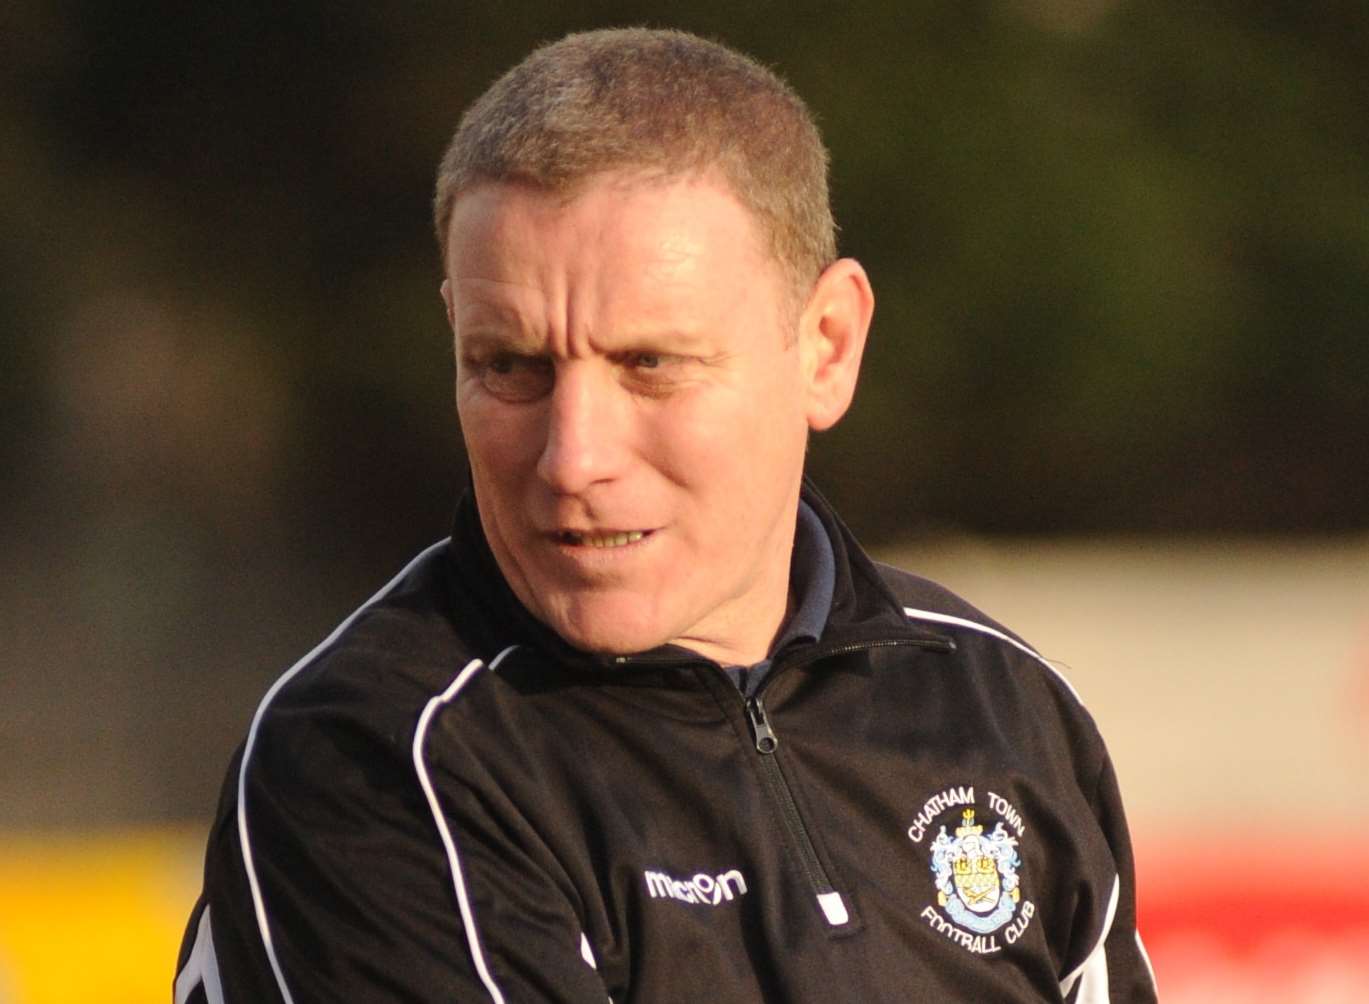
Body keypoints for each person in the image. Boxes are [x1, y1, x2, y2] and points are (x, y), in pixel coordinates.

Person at [175, 28, 1156, 1004]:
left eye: (650, 365)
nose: (574, 456)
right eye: (508, 367)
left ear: (825, 345)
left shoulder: (1004, 705)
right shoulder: (376, 761)